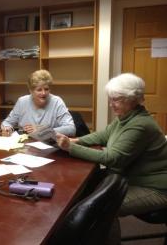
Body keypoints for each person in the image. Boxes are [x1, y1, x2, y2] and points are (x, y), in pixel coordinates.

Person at [56, 73, 167, 242]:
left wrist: (71, 147)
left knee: (101, 209)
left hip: (154, 188)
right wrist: (76, 140)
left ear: (133, 99)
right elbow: (103, 135)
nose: (111, 104)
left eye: (116, 100)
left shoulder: (140, 125)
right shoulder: (125, 117)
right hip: (130, 179)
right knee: (86, 196)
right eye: (111, 99)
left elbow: (113, 158)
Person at [0, 69, 75, 136]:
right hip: (25, 144)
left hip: (49, 145)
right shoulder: (22, 102)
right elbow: (7, 123)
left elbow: (71, 129)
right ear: (31, 90)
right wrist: (7, 129)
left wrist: (43, 130)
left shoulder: (57, 101)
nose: (43, 93)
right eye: (39, 90)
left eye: (46, 89)